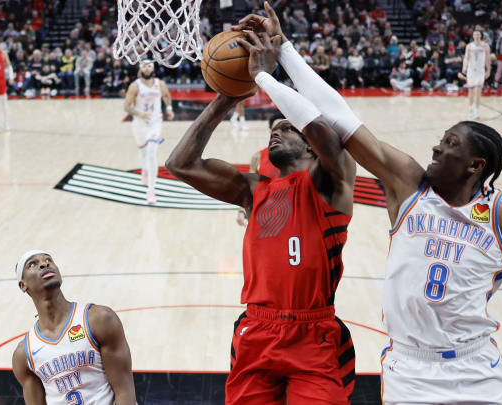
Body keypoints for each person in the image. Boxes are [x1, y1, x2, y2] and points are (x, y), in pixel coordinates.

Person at [232, 3, 502, 404]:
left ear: (474, 165)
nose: (436, 146)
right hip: (410, 371)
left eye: (449, 144)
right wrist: (281, 56)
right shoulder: (408, 188)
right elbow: (339, 117)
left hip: (475, 370)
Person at [166, 28, 358, 405]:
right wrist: (227, 97)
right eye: (274, 127)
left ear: (311, 145)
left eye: (288, 126)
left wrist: (266, 77)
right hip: (257, 329)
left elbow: (326, 133)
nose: (278, 129)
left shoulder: (332, 183)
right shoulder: (254, 190)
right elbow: (180, 164)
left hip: (313, 334)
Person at [11, 250, 136, 404]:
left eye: (48, 259)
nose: (44, 264)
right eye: (33, 264)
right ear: (23, 285)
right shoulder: (24, 354)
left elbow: (125, 390)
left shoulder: (99, 319)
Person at [124, 60, 174, 204]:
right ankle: (145, 170)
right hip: (139, 124)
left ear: (153, 69)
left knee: (152, 151)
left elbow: (167, 96)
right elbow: (126, 106)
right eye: (145, 66)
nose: (147, 69)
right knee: (144, 152)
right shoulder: (135, 86)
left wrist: (169, 109)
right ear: (141, 69)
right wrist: (139, 114)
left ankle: (151, 190)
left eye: (150, 66)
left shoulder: (160, 84)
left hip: (155, 122)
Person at [459, 30, 490, 119]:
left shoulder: (485, 46)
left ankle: (476, 110)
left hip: (480, 71)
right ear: (473, 36)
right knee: (471, 92)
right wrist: (464, 67)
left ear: (481, 36)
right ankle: (471, 109)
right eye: (475, 34)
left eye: (478, 34)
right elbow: (466, 58)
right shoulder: (469, 46)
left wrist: (488, 71)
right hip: (471, 71)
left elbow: (488, 59)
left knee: (478, 91)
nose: (476, 36)